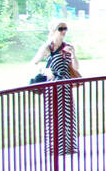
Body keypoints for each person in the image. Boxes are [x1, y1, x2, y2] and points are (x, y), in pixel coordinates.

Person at [33, 22, 80, 154]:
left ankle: (69, 147)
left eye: (65, 29)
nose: (64, 31)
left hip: (65, 86)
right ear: (54, 30)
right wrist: (45, 70)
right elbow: (34, 62)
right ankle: (54, 147)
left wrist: (73, 55)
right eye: (61, 29)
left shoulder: (68, 47)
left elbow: (76, 68)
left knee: (68, 116)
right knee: (53, 116)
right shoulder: (48, 47)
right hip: (53, 86)